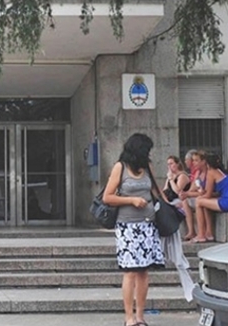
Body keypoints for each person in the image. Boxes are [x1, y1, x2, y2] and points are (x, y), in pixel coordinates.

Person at [103, 133, 165, 326]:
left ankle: (140, 316)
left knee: (143, 272)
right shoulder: (120, 168)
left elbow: (157, 192)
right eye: (146, 150)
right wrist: (131, 200)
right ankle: (129, 317)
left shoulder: (147, 168)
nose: (149, 154)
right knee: (130, 271)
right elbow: (108, 197)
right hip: (128, 226)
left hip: (148, 225)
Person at [195, 152, 228, 242]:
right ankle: (209, 233)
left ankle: (201, 234)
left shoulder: (211, 172)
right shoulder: (222, 172)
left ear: (207, 164)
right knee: (206, 203)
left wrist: (200, 193)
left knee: (199, 201)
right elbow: (214, 194)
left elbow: (208, 194)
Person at [178, 150, 205, 242]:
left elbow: (203, 192)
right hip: (199, 196)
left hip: (204, 198)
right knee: (184, 201)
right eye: (193, 160)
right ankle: (191, 231)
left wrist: (187, 194)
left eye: (195, 160)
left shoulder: (204, 172)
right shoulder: (196, 172)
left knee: (197, 202)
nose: (193, 163)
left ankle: (201, 233)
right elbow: (193, 188)